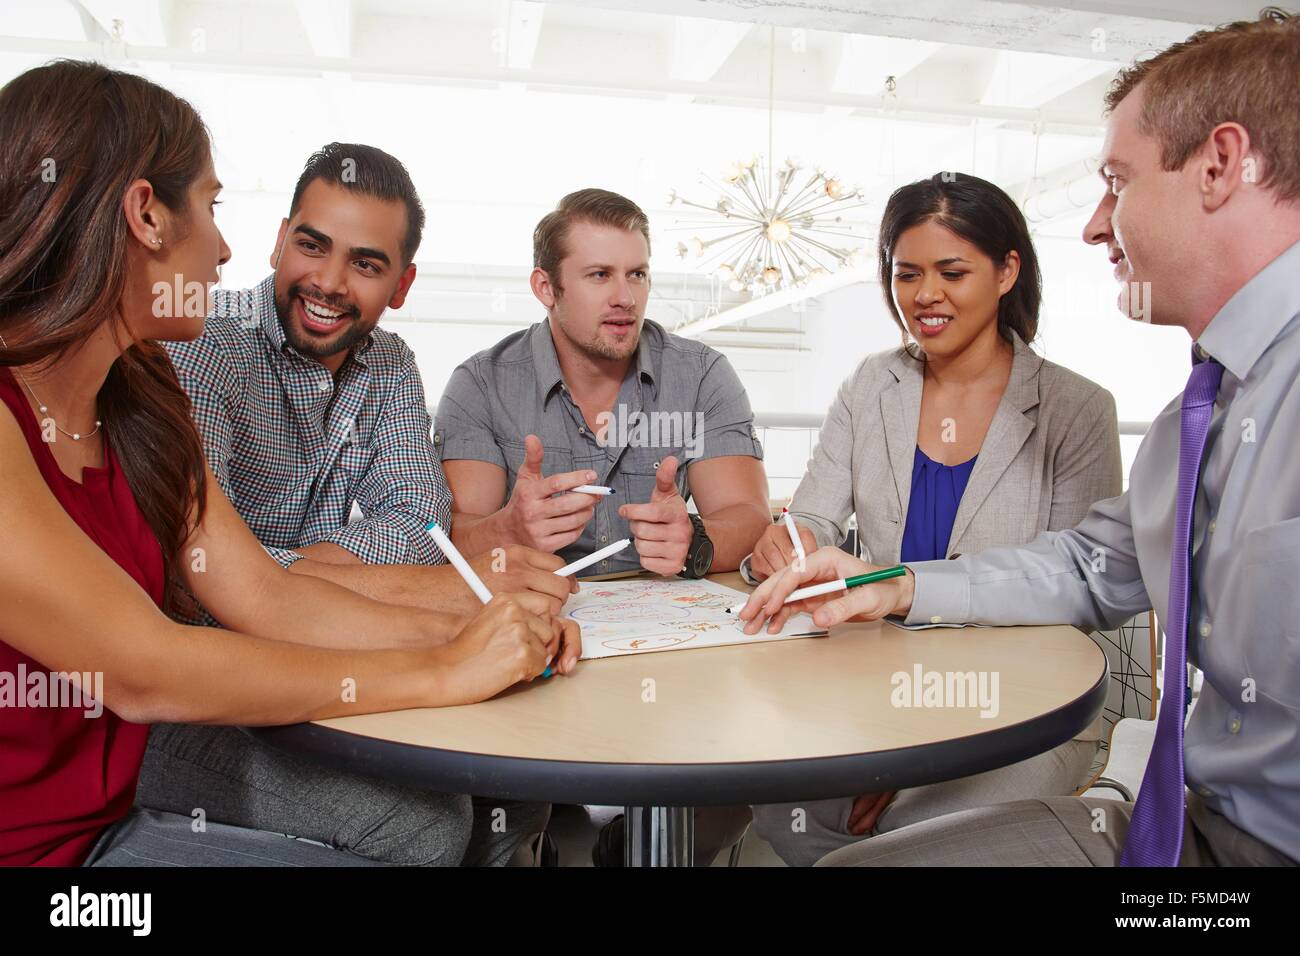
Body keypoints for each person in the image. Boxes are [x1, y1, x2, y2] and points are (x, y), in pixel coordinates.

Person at [741, 8, 1300, 867]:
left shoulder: (1112, 403)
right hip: (1190, 828)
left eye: (1118, 181)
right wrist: (889, 584)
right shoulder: (1207, 406)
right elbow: (1088, 566)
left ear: (1220, 166)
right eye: (907, 272)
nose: (1093, 225)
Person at [0, 59, 578, 868]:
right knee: (425, 826)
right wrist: (445, 667)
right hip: (45, 847)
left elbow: (267, 595)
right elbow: (146, 670)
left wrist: (486, 631)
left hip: (106, 797)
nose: (226, 247)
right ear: (145, 216)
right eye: (211, 204)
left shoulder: (142, 396)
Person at [142, 143, 571, 865]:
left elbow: (418, 523)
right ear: (279, 241)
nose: (330, 282)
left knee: (517, 781)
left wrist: (292, 572)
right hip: (193, 681)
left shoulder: (392, 364)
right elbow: (202, 587)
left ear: (400, 285)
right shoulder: (199, 344)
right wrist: (435, 595)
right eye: (312, 246)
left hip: (309, 647)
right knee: (427, 820)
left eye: (366, 264)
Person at [746, 172, 1121, 866]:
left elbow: (1080, 603)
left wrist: (914, 749)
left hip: (1021, 704)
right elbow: (814, 518)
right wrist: (790, 542)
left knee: (914, 837)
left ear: (1008, 270)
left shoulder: (1077, 410)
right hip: (874, 686)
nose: (925, 295)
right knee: (787, 808)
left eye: (952, 271)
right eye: (906, 273)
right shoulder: (870, 386)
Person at [436, 187, 772, 864]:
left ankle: (629, 851)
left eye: (637, 273)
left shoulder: (703, 375)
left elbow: (747, 514)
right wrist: (510, 528)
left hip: (672, 649)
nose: (624, 297)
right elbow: (457, 537)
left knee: (734, 783)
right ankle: (532, 847)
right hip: (539, 645)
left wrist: (696, 540)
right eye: (598, 275)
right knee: (494, 832)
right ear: (545, 287)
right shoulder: (480, 384)